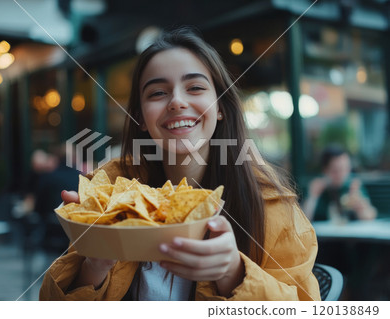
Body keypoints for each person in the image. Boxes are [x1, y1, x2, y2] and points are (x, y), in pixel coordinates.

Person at [39, 27, 320, 301]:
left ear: (220, 107)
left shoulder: (271, 205)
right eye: (157, 93)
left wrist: (234, 274)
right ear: (140, 116)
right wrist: (94, 263)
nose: (176, 102)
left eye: (195, 87)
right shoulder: (108, 192)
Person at [303, 145, 377, 222]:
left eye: (346, 169)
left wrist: (360, 204)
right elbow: (303, 222)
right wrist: (312, 197)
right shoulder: (318, 188)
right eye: (336, 170)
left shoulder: (352, 186)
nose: (342, 174)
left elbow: (369, 216)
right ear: (325, 170)